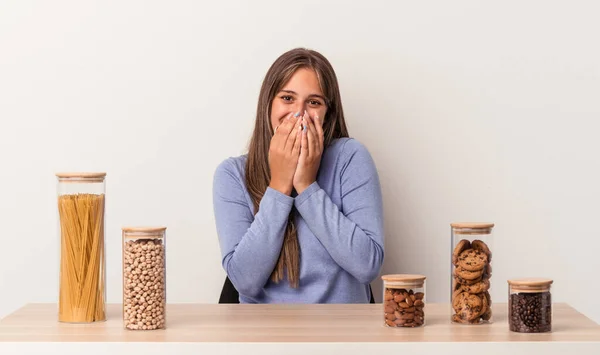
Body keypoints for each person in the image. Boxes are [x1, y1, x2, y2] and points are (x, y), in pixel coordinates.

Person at [212, 47, 384, 303]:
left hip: (342, 333)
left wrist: (306, 186)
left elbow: (367, 266)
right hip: (264, 334)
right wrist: (280, 186)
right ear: (268, 104)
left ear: (327, 114)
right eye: (287, 98)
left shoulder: (350, 157)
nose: (299, 113)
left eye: (313, 102)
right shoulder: (232, 175)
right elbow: (244, 281)